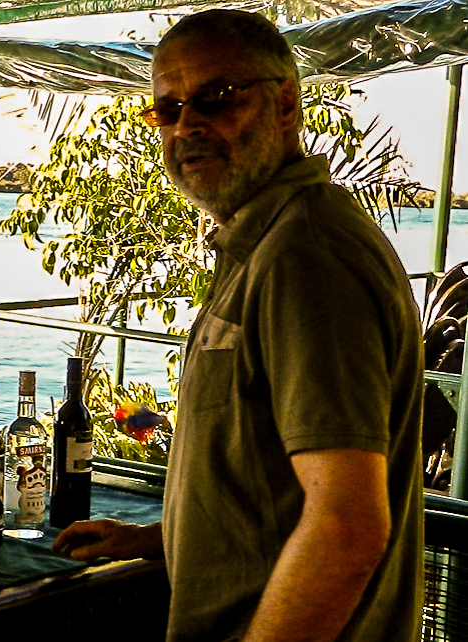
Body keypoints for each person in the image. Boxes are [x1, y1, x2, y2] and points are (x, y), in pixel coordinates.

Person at [54, 10, 424, 641]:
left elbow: (346, 526)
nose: (187, 125)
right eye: (167, 109)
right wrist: (160, 537)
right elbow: (268, 485)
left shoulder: (305, 255)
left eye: (217, 97)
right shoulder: (263, 245)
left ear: (286, 106)